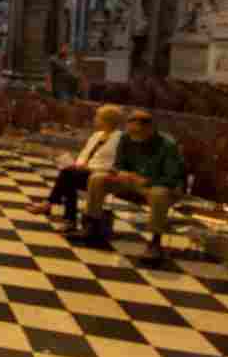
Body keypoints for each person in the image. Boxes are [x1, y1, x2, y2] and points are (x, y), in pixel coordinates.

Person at [71, 110, 186, 265]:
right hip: (130, 180)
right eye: (131, 132)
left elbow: (172, 177)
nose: (134, 137)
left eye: (138, 133)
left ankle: (155, 242)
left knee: (159, 195)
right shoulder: (126, 138)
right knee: (97, 179)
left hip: (156, 184)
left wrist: (145, 181)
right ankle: (92, 224)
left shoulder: (167, 145)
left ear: (149, 129)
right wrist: (122, 172)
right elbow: (118, 164)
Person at [28, 105, 123, 228]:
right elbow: (85, 153)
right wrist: (79, 164)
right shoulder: (97, 135)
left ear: (107, 120)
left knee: (67, 175)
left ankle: (53, 207)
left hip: (100, 175)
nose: (95, 119)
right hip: (84, 170)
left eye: (97, 117)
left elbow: (113, 163)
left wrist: (89, 168)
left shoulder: (120, 139)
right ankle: (64, 217)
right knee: (68, 176)